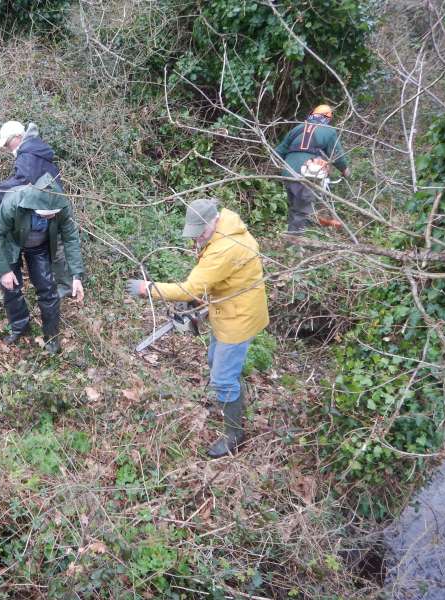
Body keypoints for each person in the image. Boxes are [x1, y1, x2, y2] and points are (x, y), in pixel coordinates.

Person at [125, 198, 269, 458]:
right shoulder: (224, 227)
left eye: (200, 233)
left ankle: (234, 434)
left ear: (213, 220)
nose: (197, 238)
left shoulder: (224, 248)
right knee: (216, 362)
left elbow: (190, 288)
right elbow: (214, 278)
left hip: (238, 318)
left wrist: (149, 289)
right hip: (228, 309)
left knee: (223, 377)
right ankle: (229, 397)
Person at [0, 173, 85, 355]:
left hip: (39, 246)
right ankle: (19, 328)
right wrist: (4, 271)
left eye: (52, 215)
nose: (48, 217)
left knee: (48, 290)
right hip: (12, 243)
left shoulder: (61, 204)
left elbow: (71, 238)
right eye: (44, 215)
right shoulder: (14, 201)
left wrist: (76, 275)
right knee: (11, 287)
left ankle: (51, 338)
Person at [0, 121, 73, 298]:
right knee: (56, 250)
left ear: (18, 137)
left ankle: (61, 291)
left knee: (56, 250)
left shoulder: (28, 155)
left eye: (6, 143)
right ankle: (60, 289)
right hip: (51, 205)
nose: (5, 147)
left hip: (49, 209)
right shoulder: (35, 150)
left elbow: (20, 184)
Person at [274, 104, 351, 234]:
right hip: (308, 173)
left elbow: (278, 152)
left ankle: (296, 238)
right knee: (301, 211)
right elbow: (337, 155)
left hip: (288, 172)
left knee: (296, 208)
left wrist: (288, 164)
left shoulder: (297, 128)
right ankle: (294, 245)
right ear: (327, 118)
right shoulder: (329, 131)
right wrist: (345, 170)